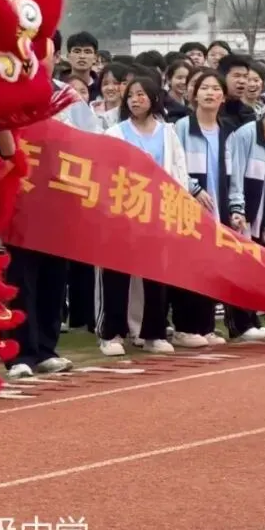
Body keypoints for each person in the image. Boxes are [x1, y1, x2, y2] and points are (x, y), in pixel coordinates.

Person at [99, 76, 190, 357]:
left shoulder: (168, 133)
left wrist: (179, 205)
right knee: (117, 275)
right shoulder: (115, 133)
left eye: (140, 94)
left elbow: (179, 171)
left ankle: (154, 333)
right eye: (130, 96)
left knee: (156, 277)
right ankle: (112, 334)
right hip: (123, 214)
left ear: (153, 98)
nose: (134, 100)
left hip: (158, 214)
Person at [171, 71, 233, 349]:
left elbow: (234, 173)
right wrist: (194, 189)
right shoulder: (181, 127)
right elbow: (175, 166)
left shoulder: (227, 131)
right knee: (189, 267)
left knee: (212, 268)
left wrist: (236, 207)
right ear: (194, 94)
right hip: (188, 208)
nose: (210, 93)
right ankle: (184, 327)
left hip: (218, 211)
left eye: (215, 88)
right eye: (204, 88)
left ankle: (206, 326)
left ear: (223, 97)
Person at [226, 91, 265, 341]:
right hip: (243, 215)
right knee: (239, 268)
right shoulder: (246, 134)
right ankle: (239, 323)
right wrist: (236, 207)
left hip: (261, 220)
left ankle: (251, 319)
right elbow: (235, 172)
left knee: (253, 270)